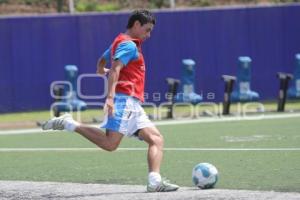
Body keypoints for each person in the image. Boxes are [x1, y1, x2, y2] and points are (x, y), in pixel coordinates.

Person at [42, 9, 179, 192]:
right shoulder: (129, 45)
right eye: (147, 30)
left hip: (133, 103)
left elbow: (102, 60)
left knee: (156, 139)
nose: (149, 35)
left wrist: (100, 70)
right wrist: (111, 97)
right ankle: (69, 123)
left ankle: (154, 182)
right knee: (110, 144)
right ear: (136, 24)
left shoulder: (119, 42)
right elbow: (115, 68)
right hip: (124, 101)